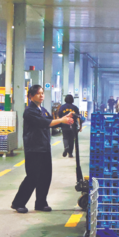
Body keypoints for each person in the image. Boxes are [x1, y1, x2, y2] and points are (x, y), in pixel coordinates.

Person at [11, 85, 73, 214]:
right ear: (30, 96)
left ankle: (41, 203)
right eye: (38, 93)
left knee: (45, 176)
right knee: (32, 177)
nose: (41, 95)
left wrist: (65, 120)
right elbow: (44, 123)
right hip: (33, 148)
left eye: (42, 93)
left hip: (44, 147)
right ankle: (18, 203)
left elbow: (51, 122)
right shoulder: (29, 111)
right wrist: (61, 120)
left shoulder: (43, 110)